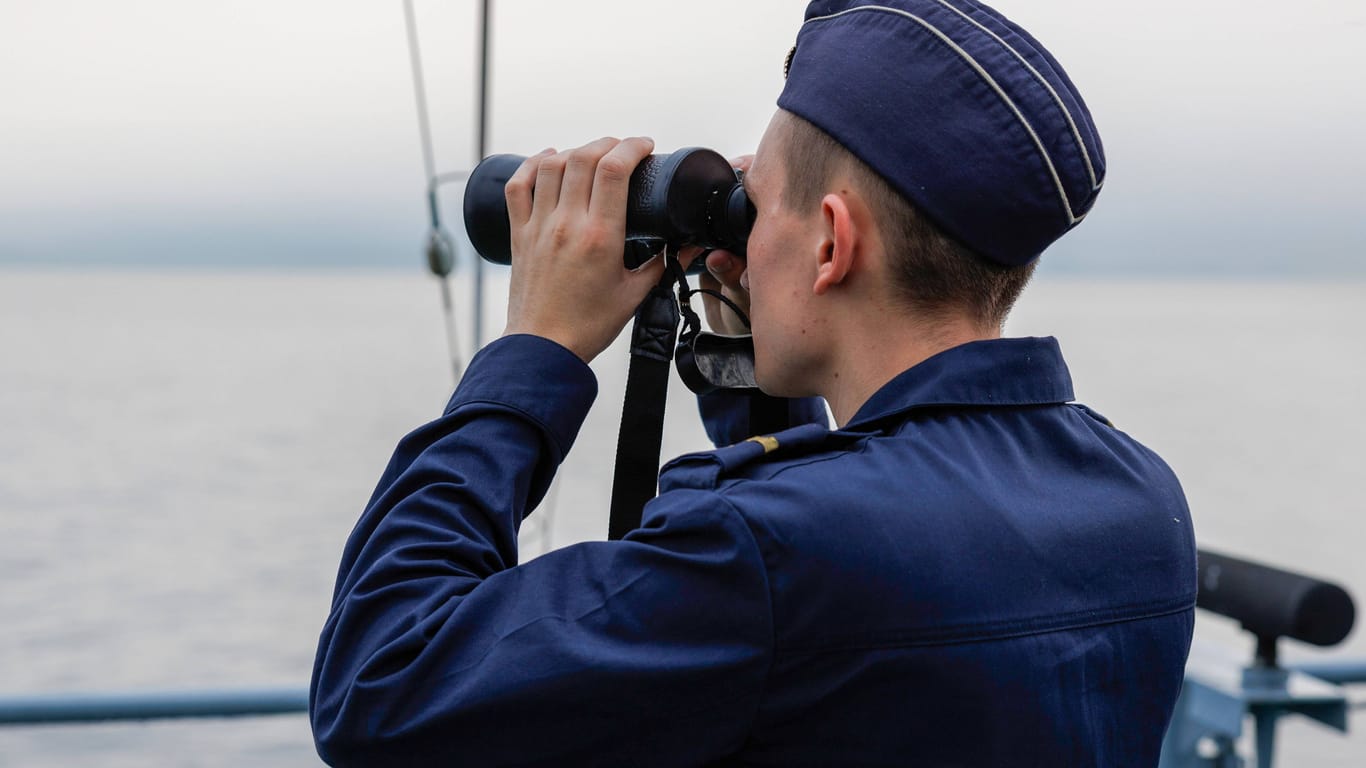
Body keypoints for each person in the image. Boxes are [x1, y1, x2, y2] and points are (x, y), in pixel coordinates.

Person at [310, 1, 1197, 765]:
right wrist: (749, 354)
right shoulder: (1138, 497)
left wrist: (539, 345)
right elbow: (859, 592)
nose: (745, 233)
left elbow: (380, 683)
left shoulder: (760, 554)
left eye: (759, 203)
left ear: (831, 244)